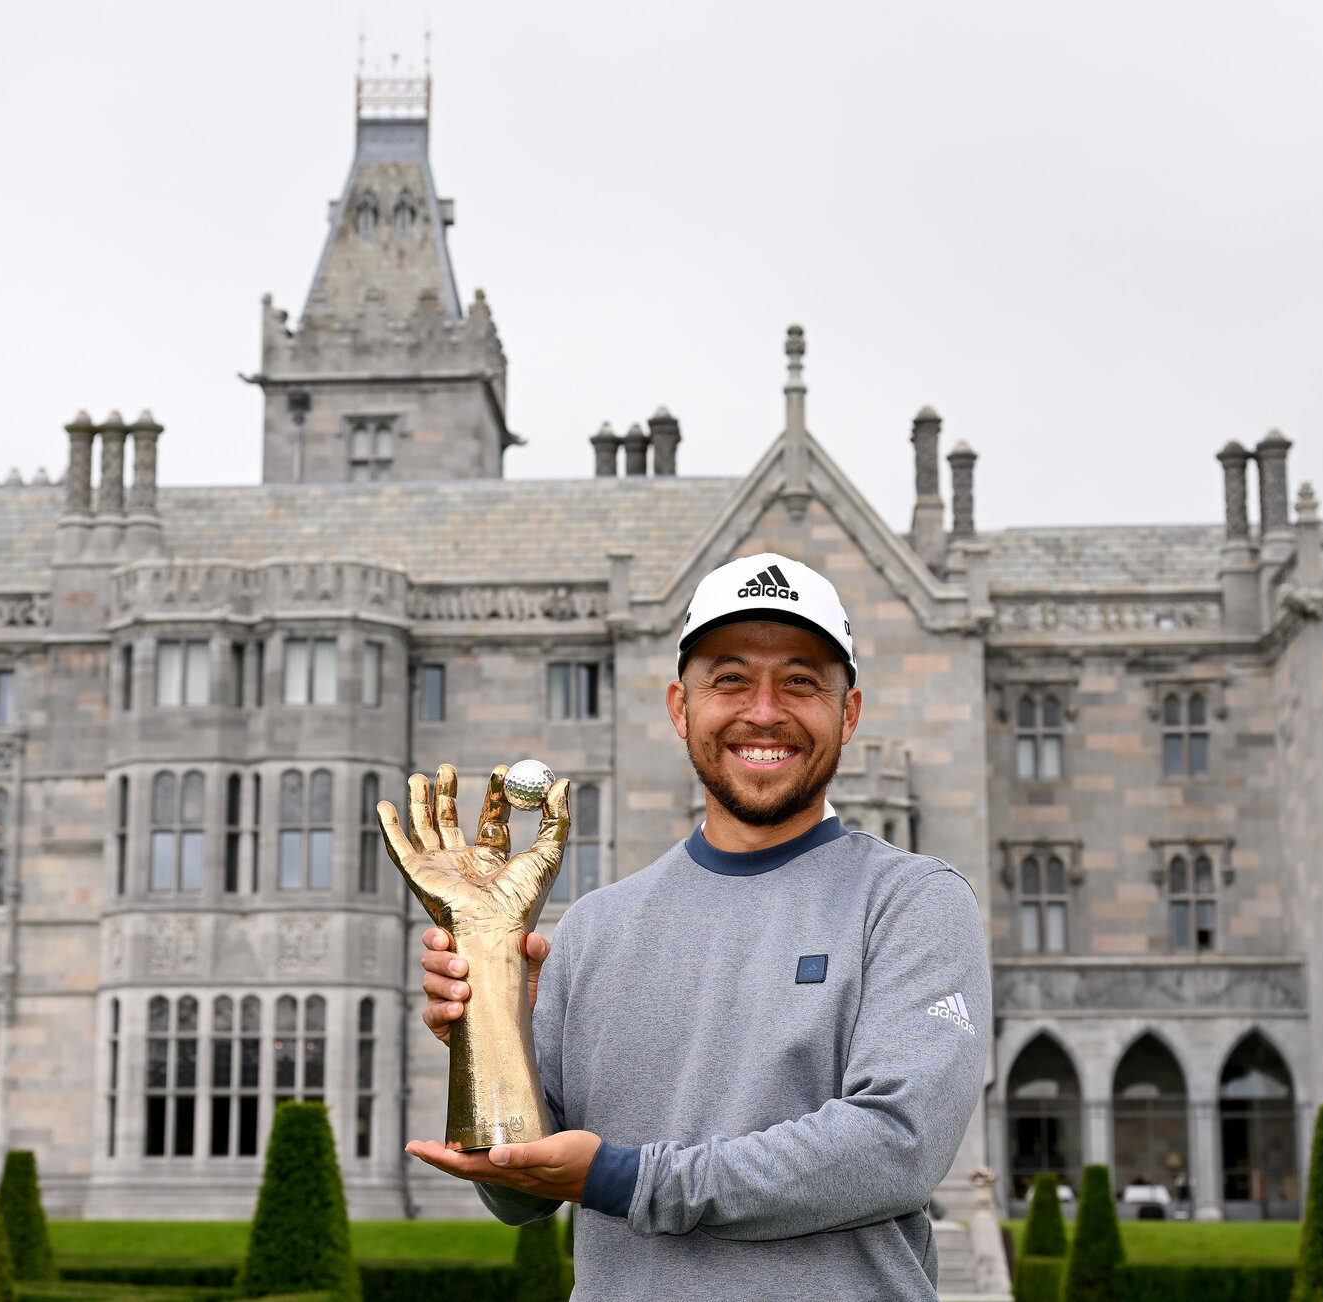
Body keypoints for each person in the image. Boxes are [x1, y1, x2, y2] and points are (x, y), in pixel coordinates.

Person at [393, 552, 991, 1300]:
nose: (764, 710)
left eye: (801, 680)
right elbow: (520, 1194)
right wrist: (490, 1036)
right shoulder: (594, 930)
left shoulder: (911, 903)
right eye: (730, 679)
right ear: (681, 707)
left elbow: (894, 1148)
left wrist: (624, 1177)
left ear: (850, 712)